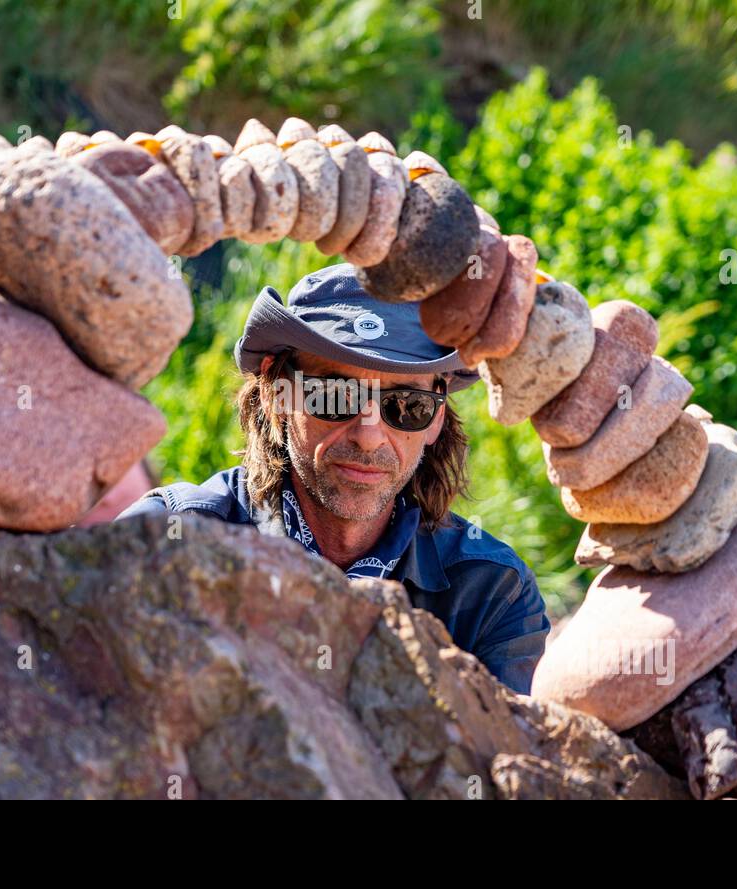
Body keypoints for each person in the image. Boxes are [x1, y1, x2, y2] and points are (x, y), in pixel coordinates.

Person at [117, 263, 549, 693]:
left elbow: (512, 756)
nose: (368, 435)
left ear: (436, 417)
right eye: (335, 394)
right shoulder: (168, 539)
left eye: (406, 405)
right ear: (275, 395)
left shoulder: (492, 592)